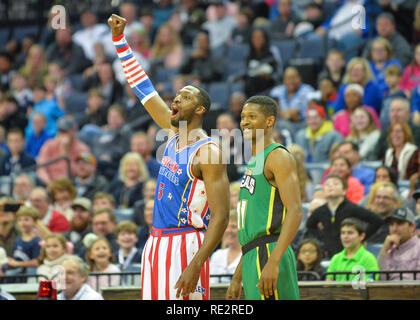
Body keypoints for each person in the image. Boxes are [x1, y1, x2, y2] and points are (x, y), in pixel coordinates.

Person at [109, 14, 230, 300]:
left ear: (200, 110)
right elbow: (143, 89)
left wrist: (196, 263)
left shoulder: (208, 152)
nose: (175, 100)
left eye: (185, 97)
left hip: (187, 242)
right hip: (156, 240)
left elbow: (222, 216)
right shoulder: (173, 133)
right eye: (176, 95)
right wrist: (119, 41)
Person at [226, 95, 302, 300]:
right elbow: (253, 232)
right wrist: (237, 277)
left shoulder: (277, 156)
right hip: (253, 254)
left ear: (269, 121)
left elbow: (295, 211)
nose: (245, 122)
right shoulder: (253, 162)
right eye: (243, 117)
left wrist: (274, 261)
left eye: (252, 116)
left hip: (269, 252)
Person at [305, 175, 383, 259]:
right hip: (328, 255)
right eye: (327, 184)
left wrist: (360, 237)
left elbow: (377, 220)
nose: (331, 186)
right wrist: (322, 239)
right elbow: (309, 225)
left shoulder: (351, 208)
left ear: (344, 191)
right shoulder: (320, 211)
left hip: (350, 253)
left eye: (335, 184)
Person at [37, 116, 90, 185]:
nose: (62, 134)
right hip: (49, 183)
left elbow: (79, 173)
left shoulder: (82, 149)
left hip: (71, 185)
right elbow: (41, 168)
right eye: (60, 131)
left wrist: (64, 151)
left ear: (73, 131)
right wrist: (49, 183)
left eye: (65, 131)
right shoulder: (49, 145)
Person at [377, 207, 420, 280]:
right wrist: (384, 250)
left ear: (412, 226)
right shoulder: (388, 248)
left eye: (399, 223)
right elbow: (380, 280)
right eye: (391, 224)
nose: (394, 228)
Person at [244, 27, 280, 97]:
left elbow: (276, 72)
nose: (257, 40)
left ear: (264, 39)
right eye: (254, 37)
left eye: (260, 37)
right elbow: (247, 72)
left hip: (268, 86)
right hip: (252, 87)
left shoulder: (271, 53)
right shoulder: (248, 56)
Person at [7, 206, 42, 274]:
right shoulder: (18, 240)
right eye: (20, 220)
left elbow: (36, 262)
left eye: (26, 220)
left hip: (29, 273)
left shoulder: (36, 241)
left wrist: (18, 264)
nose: (22, 223)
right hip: (17, 272)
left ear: (35, 222)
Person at [209, 210, 242, 285]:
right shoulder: (217, 255)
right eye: (226, 227)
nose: (229, 230)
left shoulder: (247, 256)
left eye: (234, 227)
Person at [380, 65, 406, 130]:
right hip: (384, 129)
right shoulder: (385, 96)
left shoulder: (401, 96)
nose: (388, 79)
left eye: (391, 76)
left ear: (400, 78)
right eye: (386, 76)